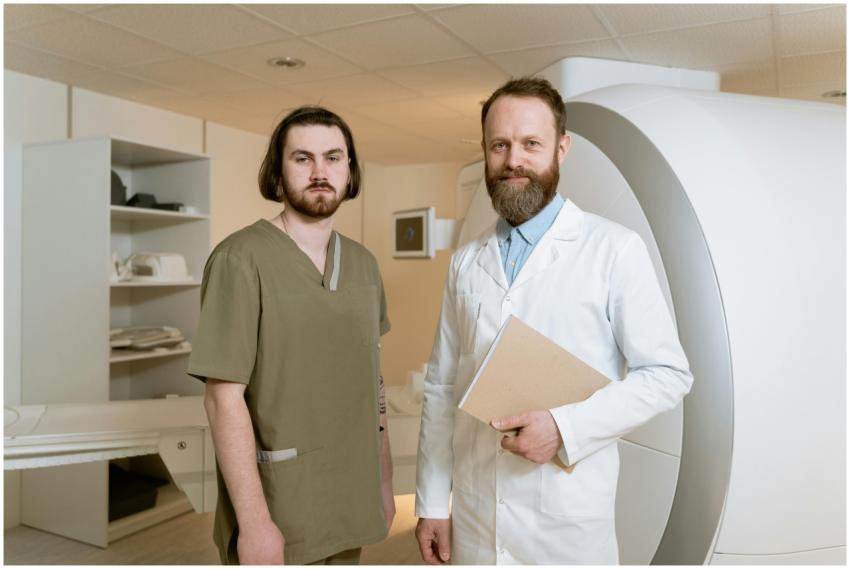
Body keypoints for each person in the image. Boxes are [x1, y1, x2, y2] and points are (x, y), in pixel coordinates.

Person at [414, 77, 693, 565]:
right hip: (477, 520)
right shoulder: (466, 261)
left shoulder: (614, 250)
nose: (512, 160)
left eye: (530, 144)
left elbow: (668, 376)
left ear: (561, 149)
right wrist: (433, 504)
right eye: (499, 145)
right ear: (485, 150)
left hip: (566, 524)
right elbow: (441, 387)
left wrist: (564, 427)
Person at [188, 106, 395, 565]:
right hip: (280, 505)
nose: (320, 171)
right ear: (278, 174)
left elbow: (371, 382)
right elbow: (223, 398)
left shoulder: (363, 264)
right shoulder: (240, 260)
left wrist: (382, 480)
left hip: (350, 496)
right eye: (302, 158)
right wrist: (256, 523)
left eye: (333, 158)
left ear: (350, 171)